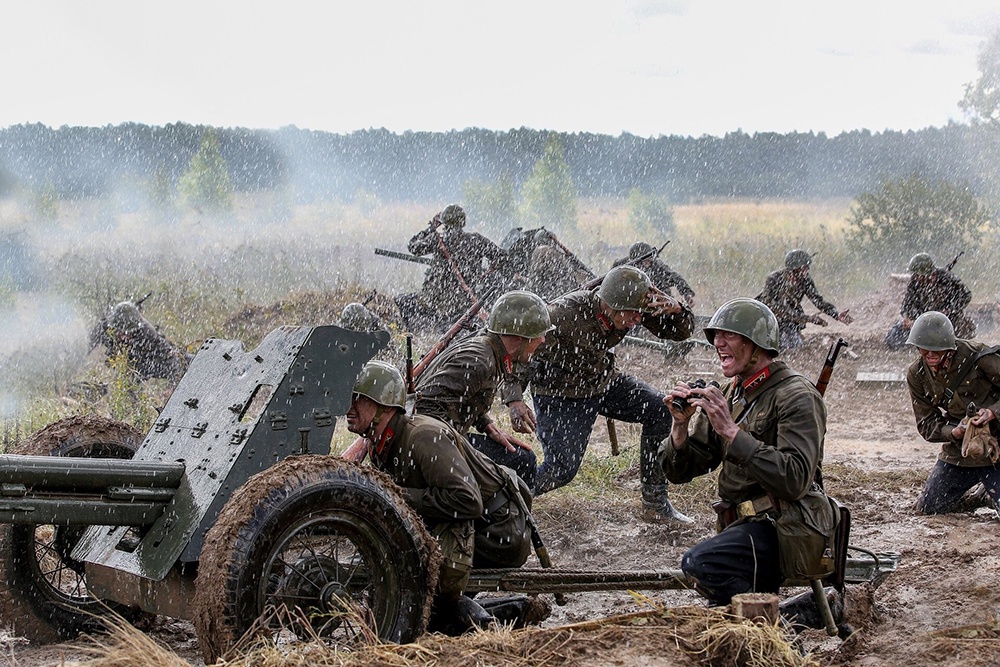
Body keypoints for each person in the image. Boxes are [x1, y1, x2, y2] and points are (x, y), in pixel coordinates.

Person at [660, 298, 838, 607]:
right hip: (746, 525)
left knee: (701, 564)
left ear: (757, 344)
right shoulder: (734, 392)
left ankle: (776, 626)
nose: (718, 343)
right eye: (716, 335)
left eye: (729, 335)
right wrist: (679, 427)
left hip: (786, 527)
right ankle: (782, 617)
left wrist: (731, 432)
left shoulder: (797, 396)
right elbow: (681, 471)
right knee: (719, 596)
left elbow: (794, 480)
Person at [346, 360, 539, 634]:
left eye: (360, 401)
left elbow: (468, 501)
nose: (349, 409)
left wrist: (396, 496)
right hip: (467, 527)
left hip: (499, 531)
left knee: (416, 614)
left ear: (386, 406)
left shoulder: (423, 437)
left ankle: (508, 611)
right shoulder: (380, 441)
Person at [505, 264, 696, 523]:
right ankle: (503, 498)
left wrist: (677, 310)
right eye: (632, 315)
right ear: (608, 305)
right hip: (559, 392)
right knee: (561, 470)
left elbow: (679, 333)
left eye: (641, 314)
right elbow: (521, 348)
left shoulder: (631, 307)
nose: (638, 321)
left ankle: (655, 503)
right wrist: (514, 398)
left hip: (603, 382)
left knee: (661, 410)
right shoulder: (563, 314)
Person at [414, 290, 552, 489]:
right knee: (522, 461)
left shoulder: (489, 351)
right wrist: (460, 451)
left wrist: (486, 424)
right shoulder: (480, 360)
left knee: (519, 457)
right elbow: (425, 406)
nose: (543, 341)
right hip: (429, 446)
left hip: (437, 440)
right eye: (539, 335)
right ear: (522, 337)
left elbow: (461, 396)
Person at [904, 311, 1000, 517]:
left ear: (949, 347)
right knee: (930, 508)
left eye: (936, 351)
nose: (929, 355)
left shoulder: (979, 357)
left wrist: (992, 412)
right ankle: (980, 497)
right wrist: (953, 432)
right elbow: (926, 424)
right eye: (924, 350)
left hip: (997, 445)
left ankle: (990, 492)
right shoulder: (917, 374)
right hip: (960, 450)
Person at [395, 204, 510, 332]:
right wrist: (488, 271)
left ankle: (411, 334)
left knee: (401, 300)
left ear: (444, 222)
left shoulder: (438, 239)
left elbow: (413, 247)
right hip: (466, 300)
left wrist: (431, 228)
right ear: (463, 222)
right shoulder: (476, 240)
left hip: (436, 300)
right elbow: (502, 257)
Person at [755, 249, 853, 351]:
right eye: (804, 268)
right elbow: (774, 308)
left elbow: (818, 300)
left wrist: (836, 314)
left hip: (789, 322)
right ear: (794, 269)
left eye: (807, 268)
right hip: (767, 319)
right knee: (778, 345)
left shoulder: (805, 280)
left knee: (795, 346)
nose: (806, 272)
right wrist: (807, 318)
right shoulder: (774, 279)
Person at [885, 253, 975, 350]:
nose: (915, 277)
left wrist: (948, 310)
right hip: (924, 319)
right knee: (893, 337)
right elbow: (907, 303)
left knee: (950, 341)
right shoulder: (915, 282)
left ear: (927, 274)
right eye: (914, 275)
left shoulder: (947, 279)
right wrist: (906, 317)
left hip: (948, 319)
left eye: (917, 275)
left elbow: (966, 295)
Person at [90, 301, 190, 382]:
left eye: (129, 333)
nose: (125, 337)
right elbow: (86, 345)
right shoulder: (104, 328)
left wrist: (174, 388)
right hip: (132, 361)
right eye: (121, 332)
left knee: (189, 363)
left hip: (152, 360)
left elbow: (173, 361)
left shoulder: (147, 335)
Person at [612, 241, 696, 309]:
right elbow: (611, 281)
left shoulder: (657, 266)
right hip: (631, 302)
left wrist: (687, 293)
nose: (646, 263)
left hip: (657, 300)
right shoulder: (623, 266)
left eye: (648, 261)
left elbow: (675, 277)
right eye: (643, 262)